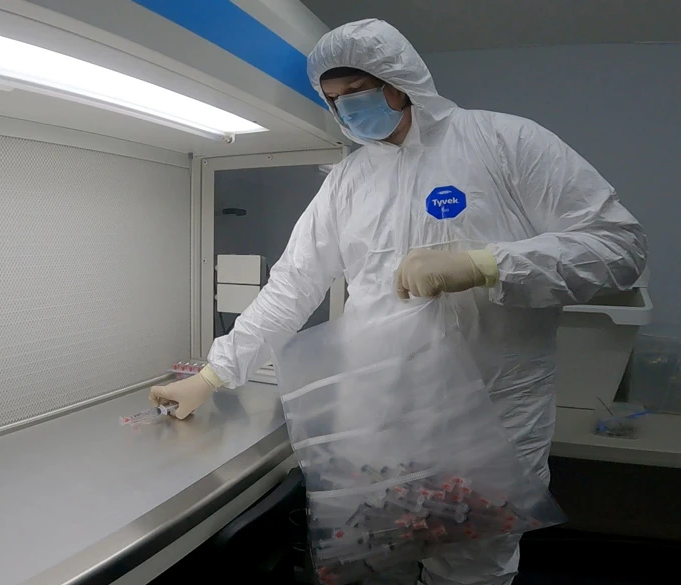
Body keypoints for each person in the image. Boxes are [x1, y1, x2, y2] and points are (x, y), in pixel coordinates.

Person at [151, 18, 648, 585]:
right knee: (375, 560)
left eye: (356, 93)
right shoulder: (349, 180)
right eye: (333, 101)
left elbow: (617, 247)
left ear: (399, 82)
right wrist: (215, 373)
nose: (346, 111)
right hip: (378, 416)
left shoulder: (504, 142)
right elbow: (292, 284)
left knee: (470, 568)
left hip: (489, 415)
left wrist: (486, 265)